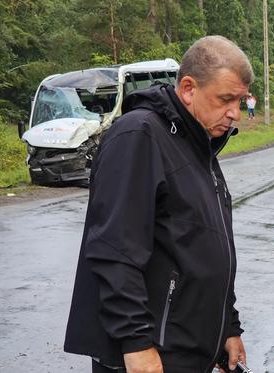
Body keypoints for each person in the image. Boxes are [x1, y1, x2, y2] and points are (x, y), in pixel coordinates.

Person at [64, 35, 254, 373]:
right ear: (188, 89)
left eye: (241, 101)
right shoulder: (140, 136)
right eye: (226, 99)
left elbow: (206, 248)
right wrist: (137, 344)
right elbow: (114, 250)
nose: (235, 113)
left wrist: (229, 328)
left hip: (188, 351)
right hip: (151, 355)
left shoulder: (198, 143)